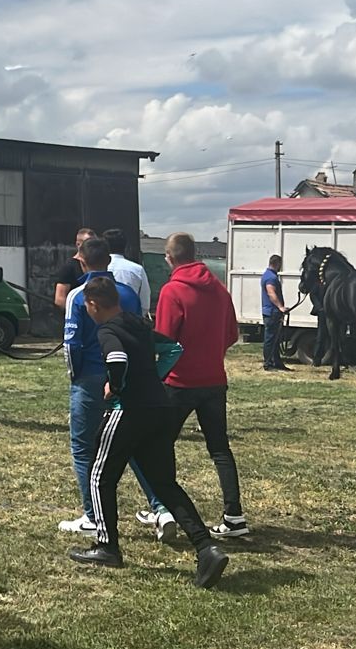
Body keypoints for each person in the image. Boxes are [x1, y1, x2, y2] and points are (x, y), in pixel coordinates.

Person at [65, 278, 229, 589]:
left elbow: (116, 359)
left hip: (129, 410)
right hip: (159, 409)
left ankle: (107, 546)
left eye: (87, 306)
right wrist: (154, 377)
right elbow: (173, 349)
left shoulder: (107, 330)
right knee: (163, 483)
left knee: (99, 477)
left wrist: (116, 386)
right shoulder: (138, 324)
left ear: (93, 305)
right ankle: (206, 547)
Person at [59, 236, 162, 535]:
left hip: (90, 376)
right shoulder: (126, 293)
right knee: (131, 445)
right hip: (125, 375)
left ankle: (92, 515)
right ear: (109, 260)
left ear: (81, 261)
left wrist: (75, 376)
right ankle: (160, 507)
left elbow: (71, 345)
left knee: (83, 447)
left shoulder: (78, 295)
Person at [154, 233, 248, 538]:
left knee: (160, 444)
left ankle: (164, 508)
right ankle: (234, 515)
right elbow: (232, 334)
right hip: (214, 379)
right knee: (219, 448)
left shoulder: (172, 291)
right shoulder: (219, 289)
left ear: (170, 258)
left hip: (179, 382)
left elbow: (164, 339)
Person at [104, 228, 151, 315]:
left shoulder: (99, 268)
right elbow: (145, 305)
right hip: (131, 319)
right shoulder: (137, 269)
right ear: (125, 246)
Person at [52, 227, 96, 311]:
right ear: (78, 244)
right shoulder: (69, 267)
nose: (92, 247)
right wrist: (75, 313)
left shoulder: (95, 264)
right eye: (88, 243)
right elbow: (60, 299)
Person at [261, 254, 291, 371]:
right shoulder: (271, 278)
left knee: (275, 339)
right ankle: (268, 363)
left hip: (271, 311)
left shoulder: (268, 275)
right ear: (277, 264)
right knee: (271, 339)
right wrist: (280, 307)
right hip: (272, 312)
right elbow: (271, 292)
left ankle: (276, 362)